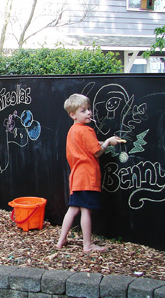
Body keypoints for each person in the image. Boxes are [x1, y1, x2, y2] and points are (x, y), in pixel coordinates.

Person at [56, 93, 124, 252]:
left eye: (89, 109)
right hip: (87, 176)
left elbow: (85, 147)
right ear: (72, 114)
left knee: (72, 210)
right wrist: (108, 142)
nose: (88, 113)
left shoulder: (72, 131)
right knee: (86, 210)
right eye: (83, 110)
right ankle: (87, 245)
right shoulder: (86, 130)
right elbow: (98, 152)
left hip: (76, 177)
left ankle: (61, 241)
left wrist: (100, 142)